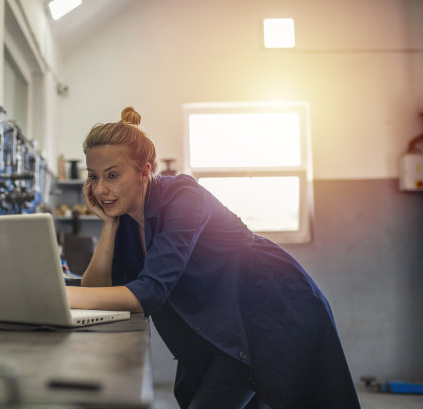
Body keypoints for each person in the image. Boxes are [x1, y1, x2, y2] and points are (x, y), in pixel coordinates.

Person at [66, 107, 361, 409]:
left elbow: (151, 291)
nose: (100, 189)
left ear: (144, 172)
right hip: (219, 328)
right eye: (94, 177)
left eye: (112, 175)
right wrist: (109, 223)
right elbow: (94, 292)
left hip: (269, 310)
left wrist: (61, 295)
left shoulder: (183, 197)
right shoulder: (125, 217)